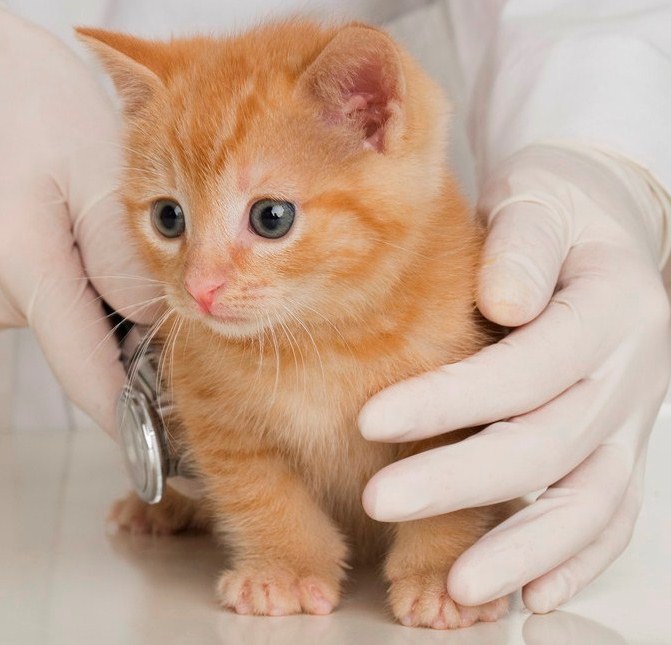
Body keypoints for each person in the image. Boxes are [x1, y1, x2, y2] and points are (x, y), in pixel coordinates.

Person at [1, 0, 670, 615]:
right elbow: (228, 437)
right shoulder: (213, 326)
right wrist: (283, 555)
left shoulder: (441, 284)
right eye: (171, 218)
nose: (201, 284)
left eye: (269, 217)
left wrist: (606, 156)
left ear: (372, 116)